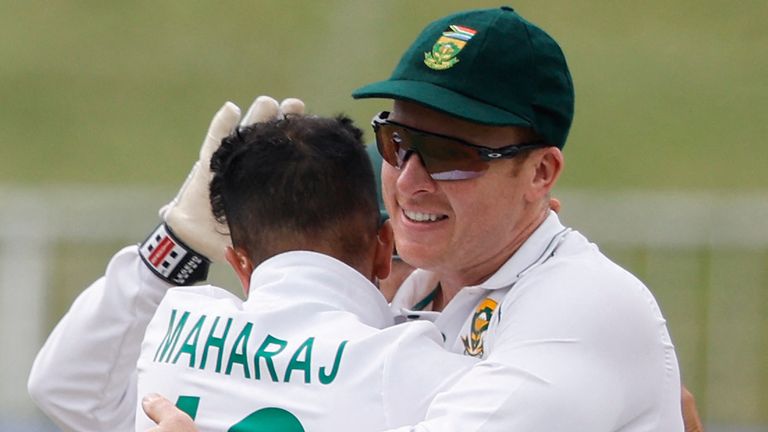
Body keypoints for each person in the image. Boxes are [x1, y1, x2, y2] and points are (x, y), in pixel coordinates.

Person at [30, 6, 701, 431]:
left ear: (540, 174)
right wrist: (177, 241)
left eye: (451, 155)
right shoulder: (411, 287)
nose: (408, 180)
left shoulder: (585, 308)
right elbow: (68, 390)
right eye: (396, 142)